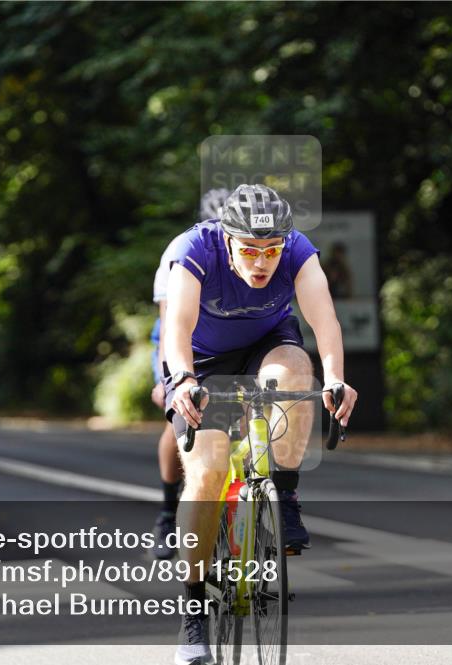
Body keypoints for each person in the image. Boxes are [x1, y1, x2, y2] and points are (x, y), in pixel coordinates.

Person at [163, 184, 358, 665]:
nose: (261, 261)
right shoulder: (195, 249)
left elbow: (323, 318)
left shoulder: (297, 251)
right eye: (249, 249)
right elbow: (177, 326)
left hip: (269, 342)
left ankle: (284, 497)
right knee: (206, 475)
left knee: (296, 372)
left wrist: (335, 378)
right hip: (202, 361)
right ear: (227, 240)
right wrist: (184, 380)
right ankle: (193, 614)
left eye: (270, 250)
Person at [150, 188, 230, 560]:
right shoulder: (183, 251)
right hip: (181, 335)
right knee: (181, 414)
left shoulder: (254, 249)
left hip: (228, 337)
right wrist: (169, 379)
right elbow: (172, 325)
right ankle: (167, 516)